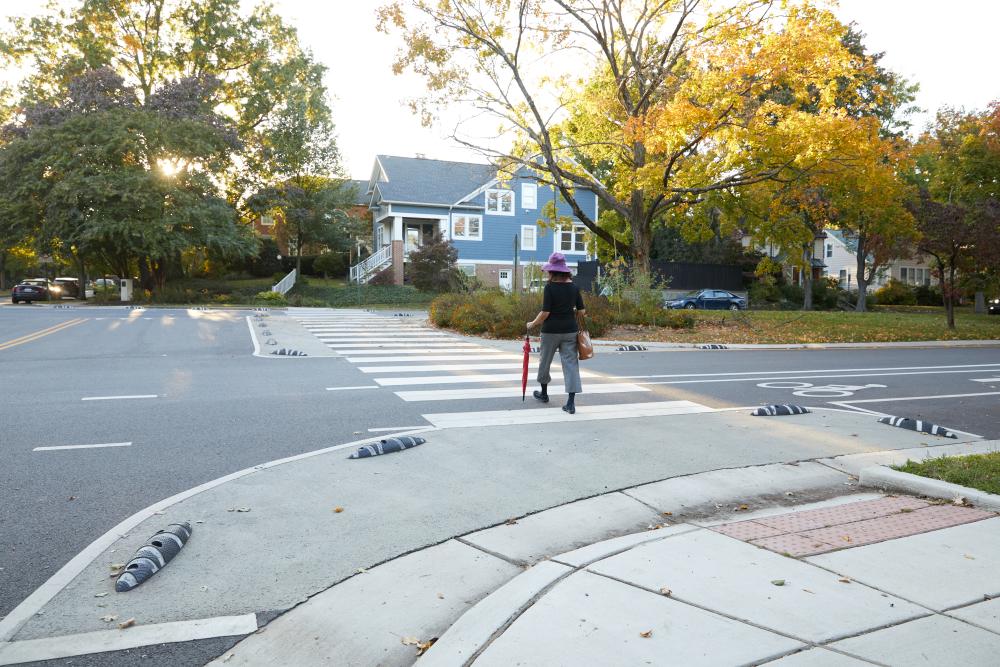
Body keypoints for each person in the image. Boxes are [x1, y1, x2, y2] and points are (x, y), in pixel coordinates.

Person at [526, 252, 586, 414]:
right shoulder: (574, 287)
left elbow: (545, 313)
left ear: (552, 271)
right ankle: (571, 403)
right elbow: (582, 311)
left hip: (550, 331)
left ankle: (544, 394)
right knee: (571, 364)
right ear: (565, 270)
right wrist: (570, 312)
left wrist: (532, 324)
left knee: (545, 362)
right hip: (570, 331)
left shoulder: (550, 288)